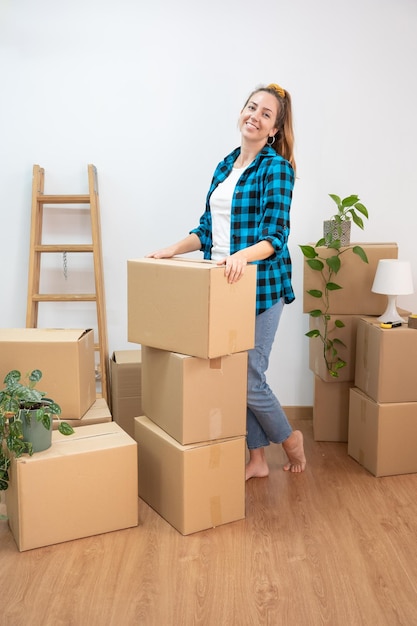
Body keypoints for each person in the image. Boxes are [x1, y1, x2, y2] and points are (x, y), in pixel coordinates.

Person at [147, 83, 306, 479]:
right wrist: (172, 249)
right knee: (235, 376)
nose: (255, 115)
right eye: (251, 107)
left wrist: (240, 256)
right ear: (241, 113)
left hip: (260, 286)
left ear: (274, 129)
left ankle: (289, 439)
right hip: (220, 288)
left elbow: (275, 237)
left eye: (266, 113)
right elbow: (206, 229)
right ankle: (257, 460)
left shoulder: (277, 169)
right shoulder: (225, 165)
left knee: (250, 375)